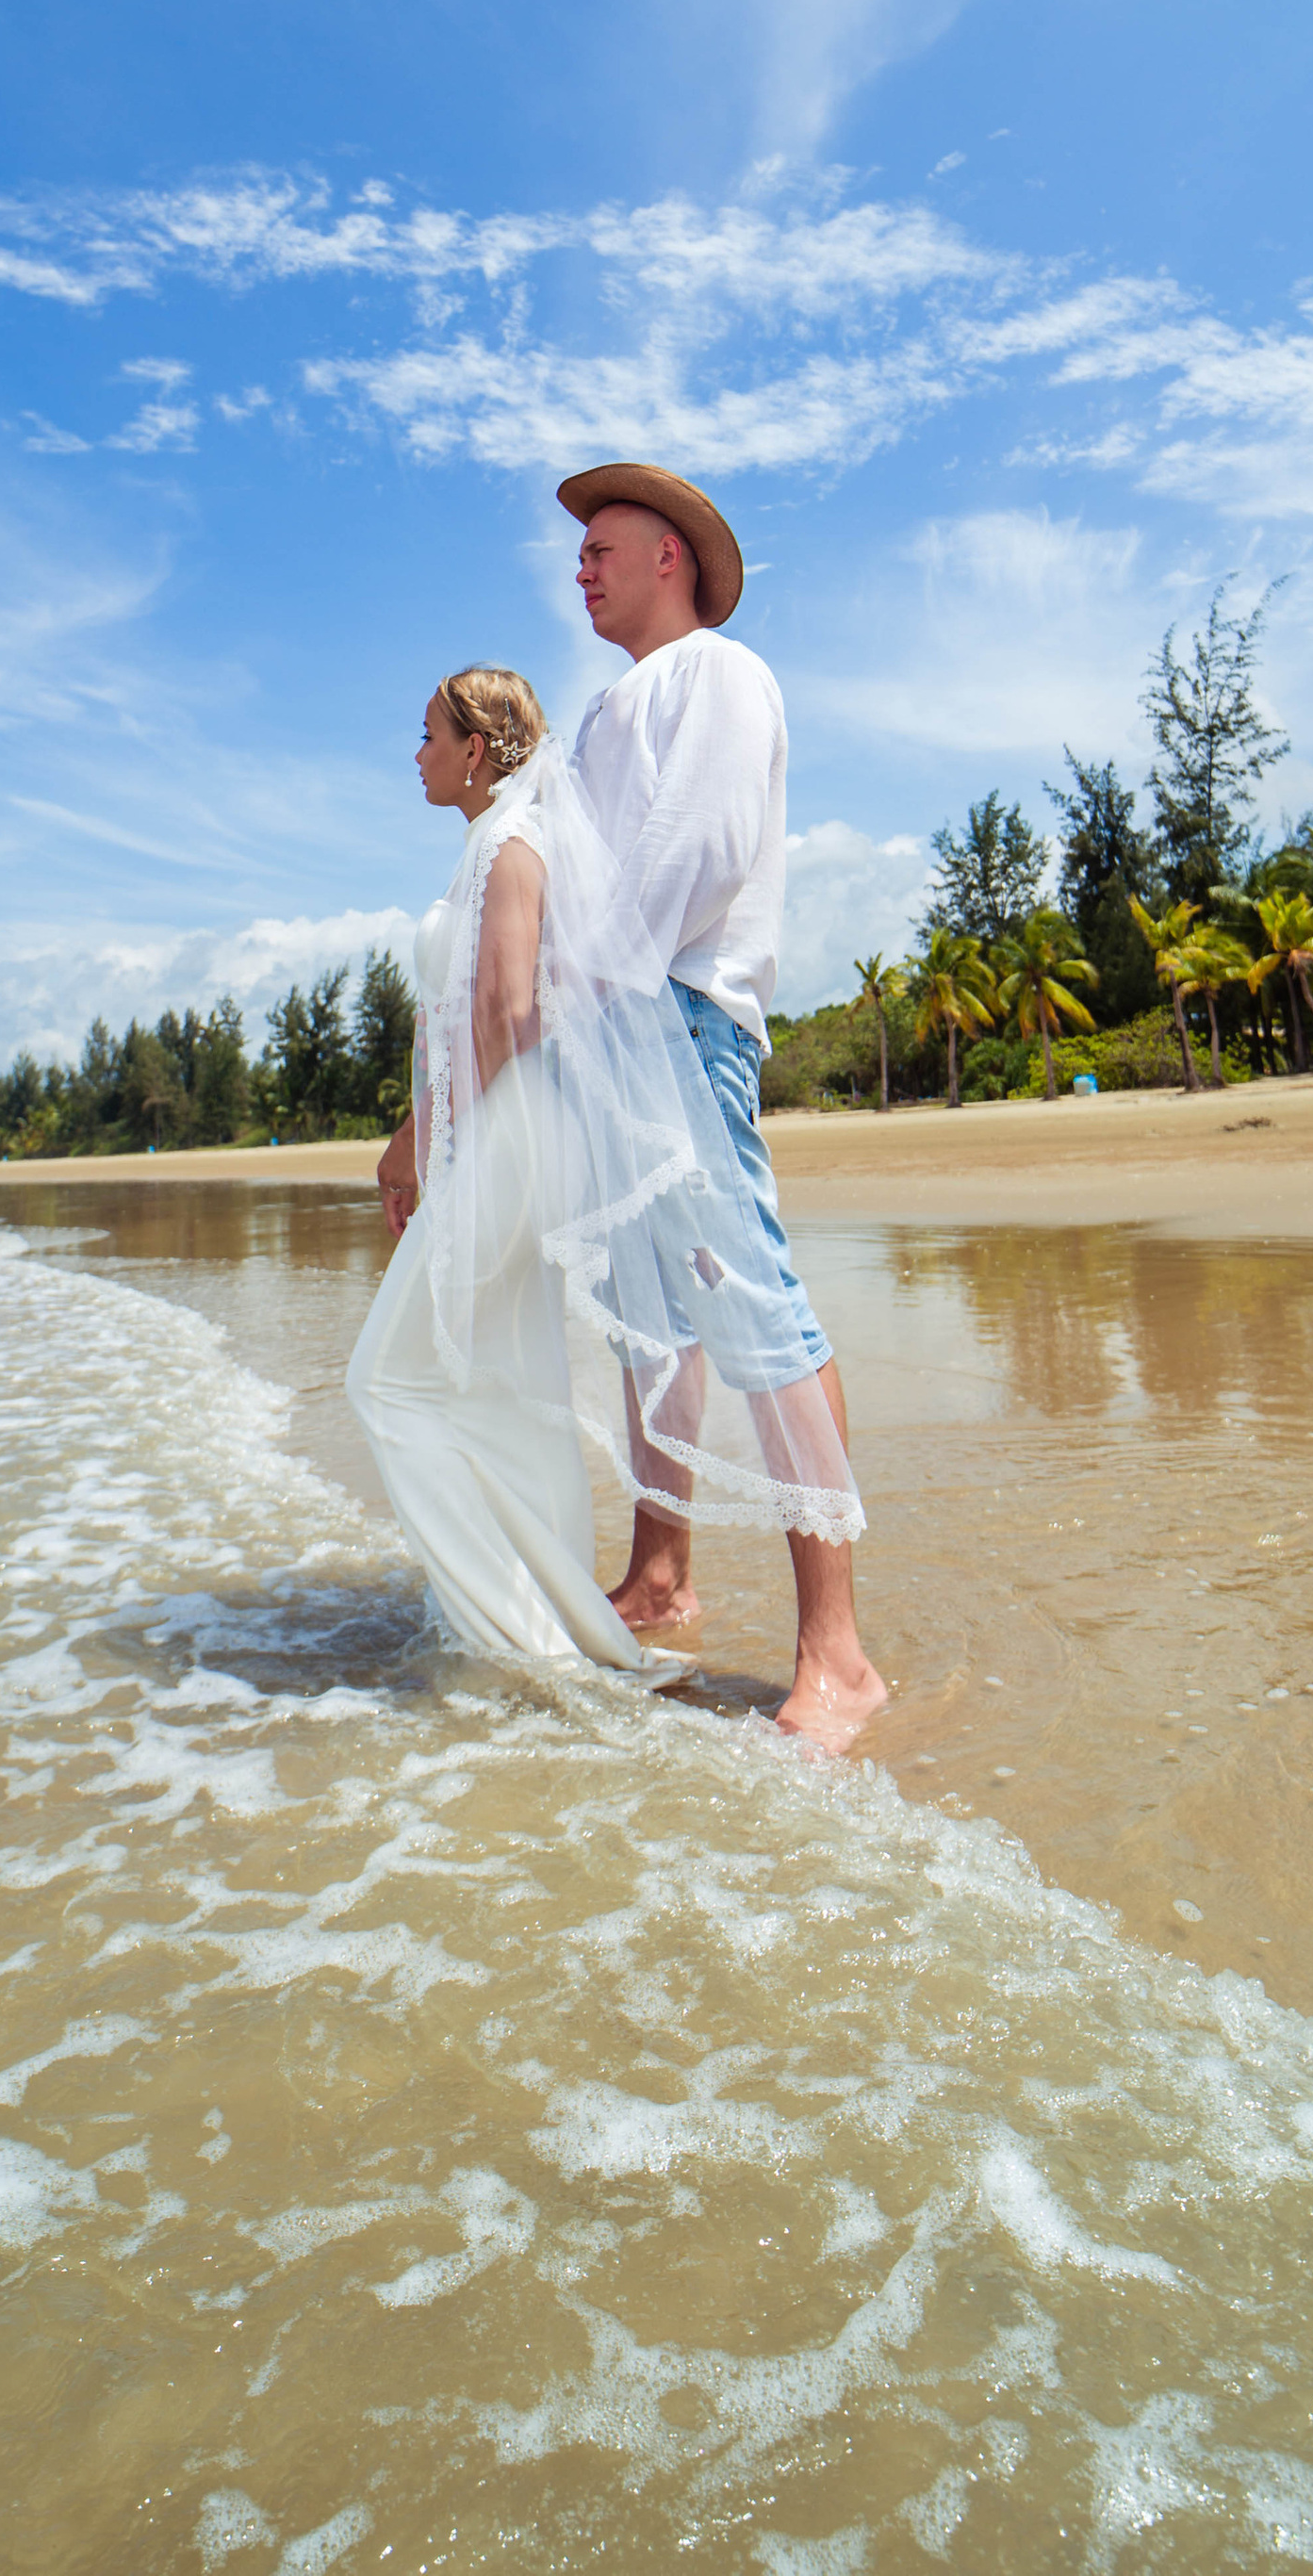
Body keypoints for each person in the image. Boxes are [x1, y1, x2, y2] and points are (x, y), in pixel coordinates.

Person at [353, 665, 862, 1679]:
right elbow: (468, 1019)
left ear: (473, 748)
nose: (412, 754)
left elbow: (506, 1017)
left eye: (424, 734)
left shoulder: (512, 843)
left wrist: (477, 1160)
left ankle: (518, 1617)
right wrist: (418, 1144)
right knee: (493, 1364)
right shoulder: (490, 844)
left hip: (505, 1137)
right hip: (488, 1136)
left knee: (389, 1377)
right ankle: (542, 1594)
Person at [558, 461, 888, 1749]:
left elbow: (691, 850)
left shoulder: (724, 675)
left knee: (750, 1303)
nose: (580, 567)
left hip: (682, 1014)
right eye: (578, 552)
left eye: (602, 547)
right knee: (651, 1324)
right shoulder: (599, 713)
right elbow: (580, 874)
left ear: (670, 560)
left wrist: (590, 989)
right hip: (608, 1026)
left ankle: (839, 1653)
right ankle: (661, 1574)